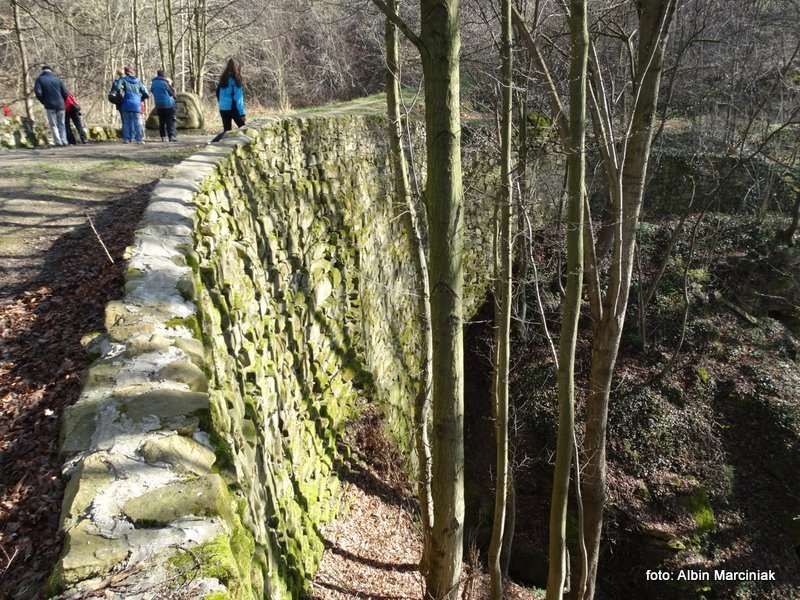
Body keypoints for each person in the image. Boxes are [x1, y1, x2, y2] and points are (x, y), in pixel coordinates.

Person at [33, 65, 68, 146]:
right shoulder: (57, 79)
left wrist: (43, 101)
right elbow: (65, 93)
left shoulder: (40, 79)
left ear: (42, 71)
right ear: (51, 70)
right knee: (62, 123)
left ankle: (58, 142)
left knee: (53, 125)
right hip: (61, 105)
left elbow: (38, 93)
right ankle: (64, 141)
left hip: (49, 105)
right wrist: (63, 101)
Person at [117, 66, 149, 144]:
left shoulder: (123, 80)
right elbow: (145, 93)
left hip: (126, 103)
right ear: (132, 72)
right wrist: (141, 99)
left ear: (126, 73)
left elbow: (117, 88)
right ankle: (139, 139)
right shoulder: (138, 81)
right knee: (138, 123)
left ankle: (126, 139)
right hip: (136, 104)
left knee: (126, 122)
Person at [216, 58, 245, 132]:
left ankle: (220, 139)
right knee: (244, 129)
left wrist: (222, 103)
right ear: (237, 67)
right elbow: (238, 98)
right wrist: (242, 114)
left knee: (227, 131)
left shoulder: (223, 78)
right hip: (232, 108)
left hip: (223, 109)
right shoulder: (236, 80)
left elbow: (217, 93)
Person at [150, 70, 177, 142]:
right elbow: (171, 93)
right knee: (169, 121)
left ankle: (163, 137)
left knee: (161, 121)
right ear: (163, 75)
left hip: (158, 105)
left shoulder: (153, 83)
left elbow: (152, 90)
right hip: (168, 104)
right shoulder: (165, 83)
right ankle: (171, 136)